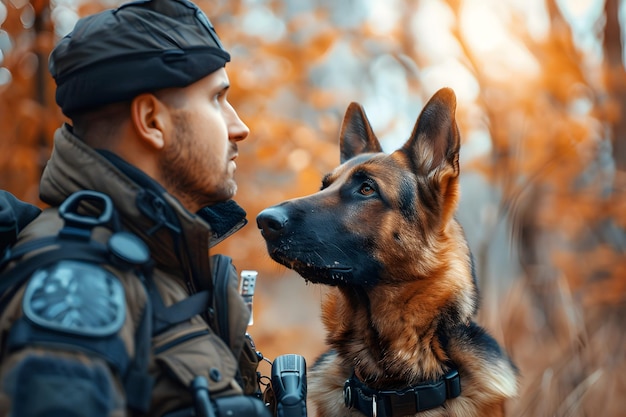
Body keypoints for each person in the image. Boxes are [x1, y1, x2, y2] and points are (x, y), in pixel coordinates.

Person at [0, 0, 273, 416]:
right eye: (217, 98)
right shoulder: (78, 291)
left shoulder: (151, 267)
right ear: (151, 120)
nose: (240, 127)